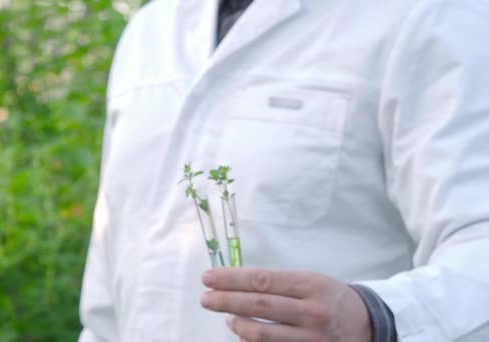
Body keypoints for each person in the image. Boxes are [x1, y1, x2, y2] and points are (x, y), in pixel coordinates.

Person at [79, 0, 489, 341]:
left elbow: (479, 240)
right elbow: (106, 305)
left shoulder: (435, 15)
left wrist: (380, 318)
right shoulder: (150, 30)